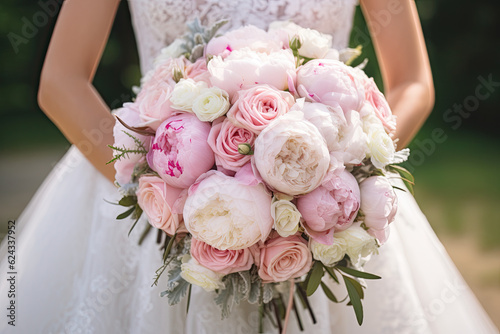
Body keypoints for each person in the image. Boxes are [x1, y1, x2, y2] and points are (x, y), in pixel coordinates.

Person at [0, 0, 498, 333]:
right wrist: (167, 194)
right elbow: (60, 80)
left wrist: (336, 175)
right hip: (152, 208)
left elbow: (413, 81)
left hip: (328, 213)